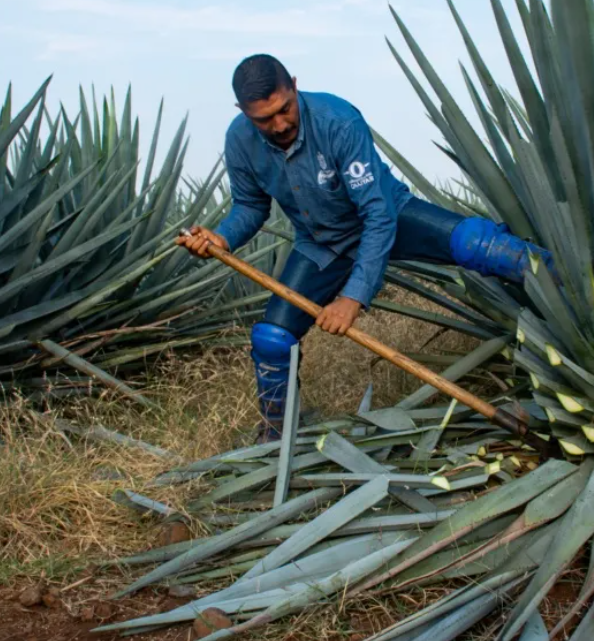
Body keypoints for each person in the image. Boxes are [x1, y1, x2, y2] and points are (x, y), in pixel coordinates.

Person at [180, 54, 554, 443]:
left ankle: (579, 290)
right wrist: (222, 237)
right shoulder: (239, 139)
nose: (280, 124)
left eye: (285, 109)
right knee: (271, 340)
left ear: (293, 84)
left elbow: (377, 214)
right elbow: (251, 206)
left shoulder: (338, 121)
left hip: (391, 215)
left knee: (480, 244)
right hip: (323, 244)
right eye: (264, 119)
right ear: (243, 111)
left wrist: (352, 299)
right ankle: (276, 438)